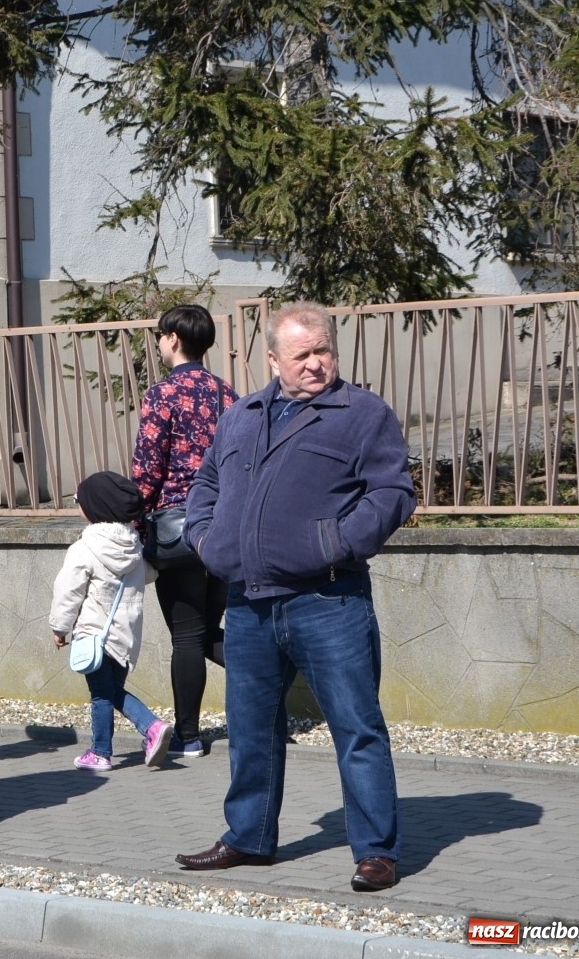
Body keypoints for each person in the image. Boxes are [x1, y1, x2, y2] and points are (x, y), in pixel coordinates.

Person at [176, 302, 415, 893]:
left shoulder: (361, 413)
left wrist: (335, 542)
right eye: (301, 355)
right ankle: (249, 837)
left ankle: (375, 851)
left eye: (323, 351)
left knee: (356, 727)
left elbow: (392, 493)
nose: (315, 364)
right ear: (273, 359)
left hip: (329, 602)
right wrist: (206, 539)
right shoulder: (241, 417)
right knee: (251, 728)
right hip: (249, 604)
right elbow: (205, 484)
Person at [130, 304, 238, 757]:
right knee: (210, 628)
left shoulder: (162, 394)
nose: (159, 342)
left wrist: (135, 522)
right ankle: (271, 680)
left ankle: (188, 737)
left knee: (188, 636)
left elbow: (147, 468)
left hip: (177, 528)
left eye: (160, 335)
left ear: (173, 337)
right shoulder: (227, 394)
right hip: (224, 524)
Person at [50, 472, 173, 772]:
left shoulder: (84, 549)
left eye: (80, 501)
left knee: (102, 694)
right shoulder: (133, 548)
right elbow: (149, 575)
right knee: (111, 691)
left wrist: (59, 627)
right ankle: (142, 736)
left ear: (95, 508)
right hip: (125, 636)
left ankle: (115, 744)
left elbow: (68, 591)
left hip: (95, 634)